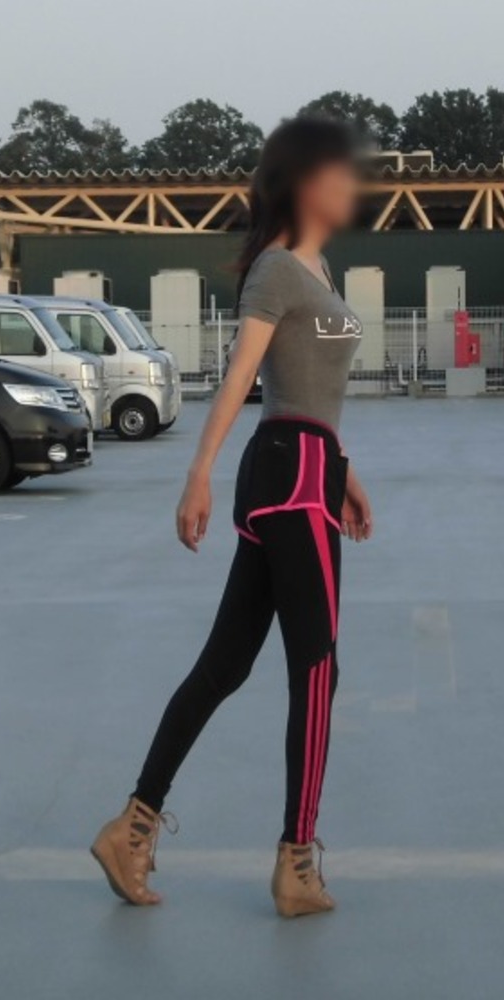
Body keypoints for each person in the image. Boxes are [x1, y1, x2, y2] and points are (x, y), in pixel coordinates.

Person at [91, 116, 373, 918]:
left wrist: (346, 473)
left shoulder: (318, 268)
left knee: (227, 663)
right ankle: (297, 861)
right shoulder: (277, 271)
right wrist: (198, 475)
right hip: (289, 473)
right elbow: (244, 376)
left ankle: (130, 827)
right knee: (317, 669)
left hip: (310, 468)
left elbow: (310, 390)